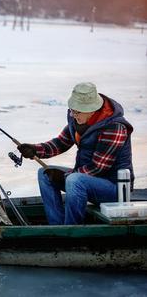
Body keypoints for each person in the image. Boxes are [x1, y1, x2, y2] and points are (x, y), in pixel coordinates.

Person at [17, 82, 134, 225]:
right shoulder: (77, 119)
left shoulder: (114, 127)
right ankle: (57, 227)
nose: (72, 114)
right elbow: (60, 143)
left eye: (77, 112)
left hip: (115, 189)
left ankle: (71, 229)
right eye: (71, 110)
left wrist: (65, 177)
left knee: (74, 180)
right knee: (44, 173)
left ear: (92, 110)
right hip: (84, 180)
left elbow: (98, 168)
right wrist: (35, 150)